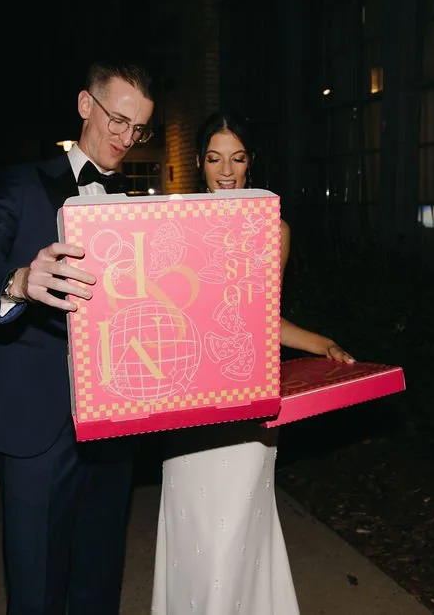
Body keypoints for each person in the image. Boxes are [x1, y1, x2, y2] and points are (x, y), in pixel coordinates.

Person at [0, 60, 156, 615]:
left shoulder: (142, 209)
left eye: (138, 129)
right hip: (36, 422)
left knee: (99, 580)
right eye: (116, 118)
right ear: (85, 104)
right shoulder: (21, 183)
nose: (124, 137)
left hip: (113, 425)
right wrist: (18, 280)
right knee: (36, 588)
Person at [151, 112, 355, 614]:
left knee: (237, 530)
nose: (226, 171)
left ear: (251, 163)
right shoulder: (174, 226)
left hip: (248, 399)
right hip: (191, 398)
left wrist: (319, 342)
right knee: (195, 527)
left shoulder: (274, 228)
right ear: (200, 163)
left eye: (237, 159)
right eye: (215, 158)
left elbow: (262, 319)